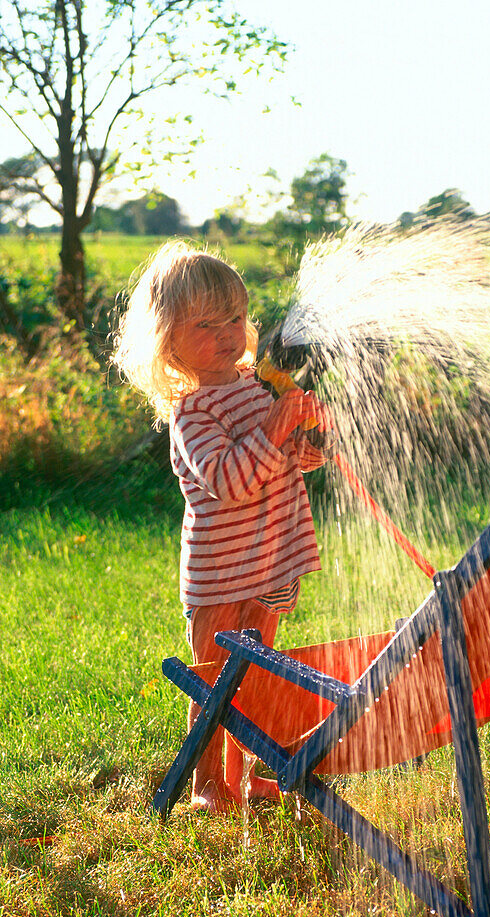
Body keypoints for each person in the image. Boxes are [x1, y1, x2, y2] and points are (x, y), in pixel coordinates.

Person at [113, 240, 332, 814]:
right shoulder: (194, 413)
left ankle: (256, 771)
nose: (228, 333)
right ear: (168, 343)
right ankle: (208, 782)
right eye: (207, 324)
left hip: (272, 563)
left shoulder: (255, 388)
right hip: (220, 575)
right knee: (214, 683)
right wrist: (273, 431)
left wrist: (309, 436)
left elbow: (288, 463)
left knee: (259, 677)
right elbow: (231, 479)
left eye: (235, 318)